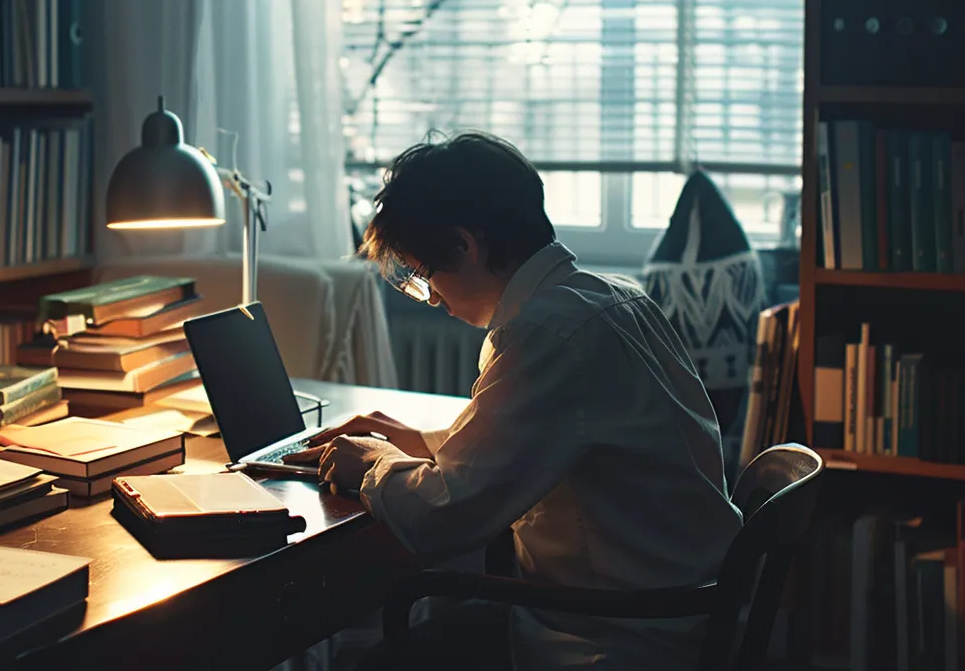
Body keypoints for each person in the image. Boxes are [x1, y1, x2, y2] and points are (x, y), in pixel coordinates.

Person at [285, 131, 743, 670]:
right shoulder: (614, 296)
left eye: (424, 274)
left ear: (465, 245)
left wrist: (375, 460)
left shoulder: (546, 333)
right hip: (679, 610)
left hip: (613, 637)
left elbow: (442, 519)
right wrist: (421, 443)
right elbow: (553, 439)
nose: (431, 298)